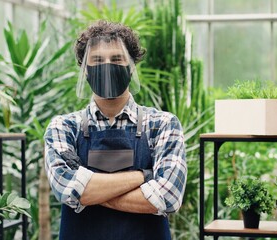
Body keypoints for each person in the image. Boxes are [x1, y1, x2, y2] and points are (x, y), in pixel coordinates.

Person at [44, 20, 187, 240]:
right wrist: (144, 176)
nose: (107, 66)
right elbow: (67, 189)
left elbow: (168, 197)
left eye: (117, 59)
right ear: (85, 69)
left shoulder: (163, 124)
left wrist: (90, 192)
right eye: (98, 60)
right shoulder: (64, 128)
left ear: (131, 66)